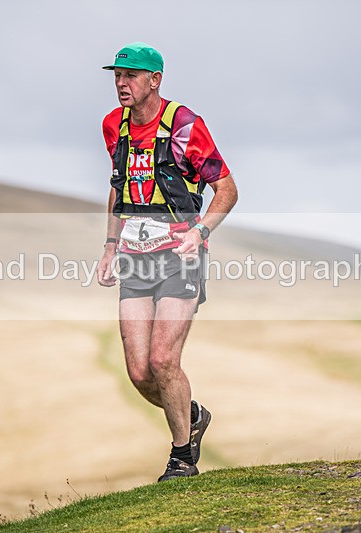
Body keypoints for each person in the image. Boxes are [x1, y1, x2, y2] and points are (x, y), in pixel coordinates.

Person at [96, 42, 238, 481]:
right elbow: (119, 189)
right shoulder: (112, 126)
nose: (121, 83)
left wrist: (201, 232)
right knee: (139, 372)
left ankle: (182, 459)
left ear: (154, 80)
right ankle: (191, 414)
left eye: (131, 75)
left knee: (163, 360)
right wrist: (108, 246)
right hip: (135, 260)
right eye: (117, 75)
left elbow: (228, 190)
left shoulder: (185, 126)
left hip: (180, 255)